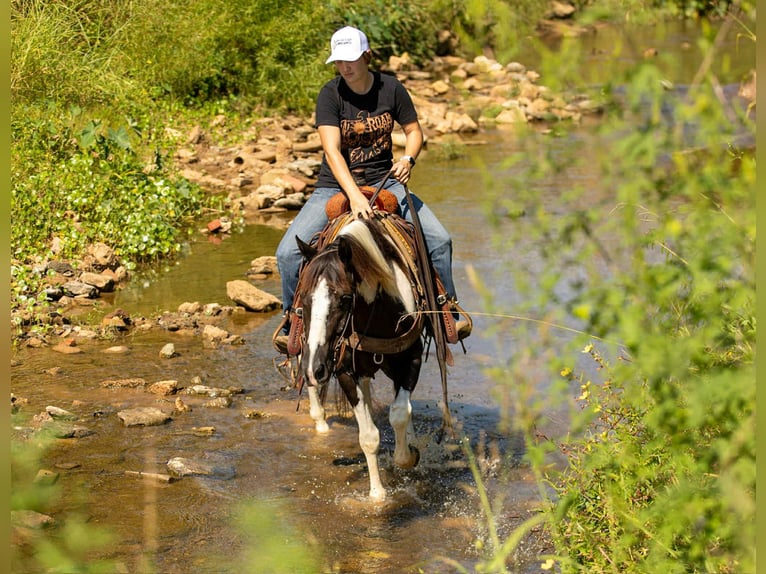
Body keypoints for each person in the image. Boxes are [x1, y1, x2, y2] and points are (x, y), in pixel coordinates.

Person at [274, 25, 470, 352]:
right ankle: (291, 320)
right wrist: (352, 195)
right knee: (287, 253)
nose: (345, 67)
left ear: (367, 55)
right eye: (339, 61)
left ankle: (445, 309)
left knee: (439, 240)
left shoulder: (391, 89)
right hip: (334, 185)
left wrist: (408, 158)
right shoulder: (330, 94)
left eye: (350, 60)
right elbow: (332, 151)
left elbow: (414, 131)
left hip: (386, 181)